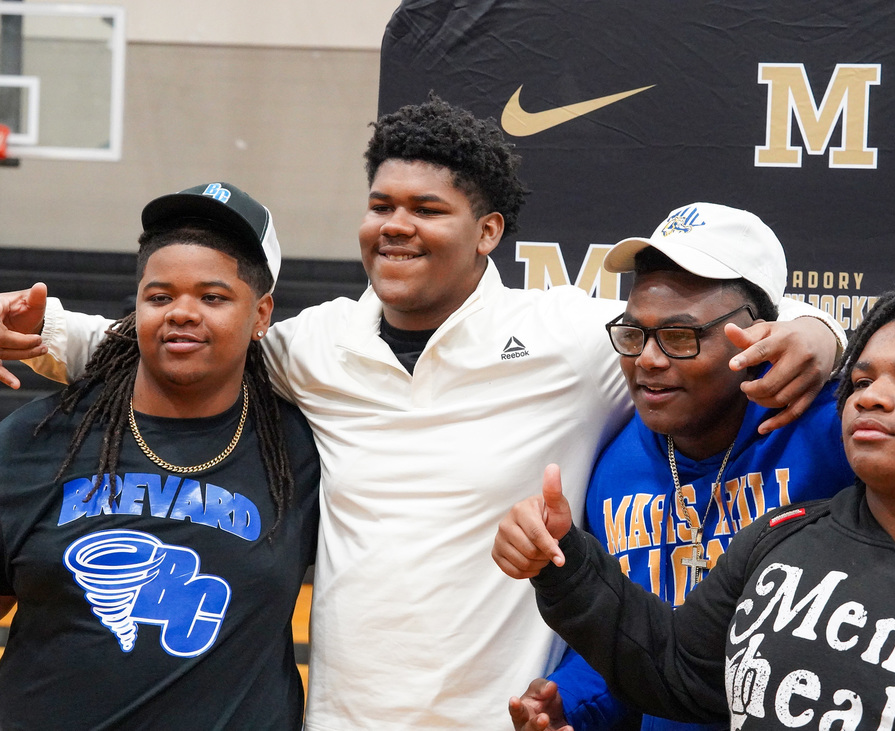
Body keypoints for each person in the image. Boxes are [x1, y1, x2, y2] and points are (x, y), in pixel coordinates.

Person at [0, 98, 845, 729]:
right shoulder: (316, 345)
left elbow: (703, 335)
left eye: (426, 210)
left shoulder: (577, 339)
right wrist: (43, 334)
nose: (393, 227)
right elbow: (191, 334)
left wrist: (821, 328)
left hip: (505, 720)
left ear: (488, 231)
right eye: (381, 206)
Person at [494, 284, 895, 728]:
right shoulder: (779, 536)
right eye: (860, 380)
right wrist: (565, 560)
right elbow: (676, 667)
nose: (870, 397)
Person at [506, 203, 857, 731]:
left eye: (680, 336)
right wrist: (568, 704)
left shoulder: (830, 428)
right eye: (634, 333)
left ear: (760, 335)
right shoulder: (618, 464)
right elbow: (638, 645)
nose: (648, 358)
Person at [0, 182, 321, 728]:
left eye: (213, 297)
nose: (182, 313)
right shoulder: (39, 437)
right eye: (160, 296)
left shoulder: (303, 452)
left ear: (261, 314)